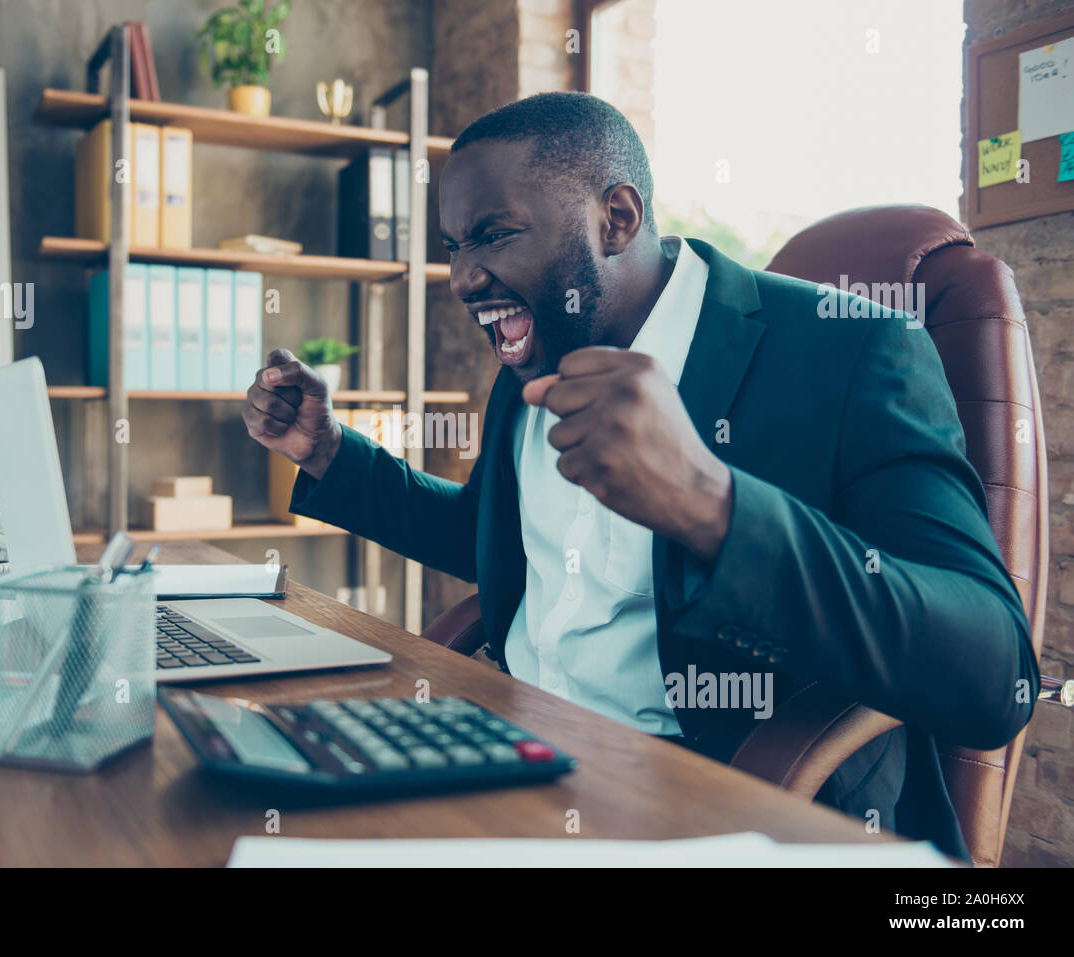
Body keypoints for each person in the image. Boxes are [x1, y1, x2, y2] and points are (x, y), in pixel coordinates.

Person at [241, 91, 1037, 857]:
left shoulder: (854, 353)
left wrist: (713, 508)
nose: (462, 277)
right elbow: (489, 537)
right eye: (455, 248)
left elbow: (994, 673)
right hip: (510, 761)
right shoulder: (534, 355)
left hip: (707, 808)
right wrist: (329, 453)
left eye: (493, 235)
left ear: (615, 218)